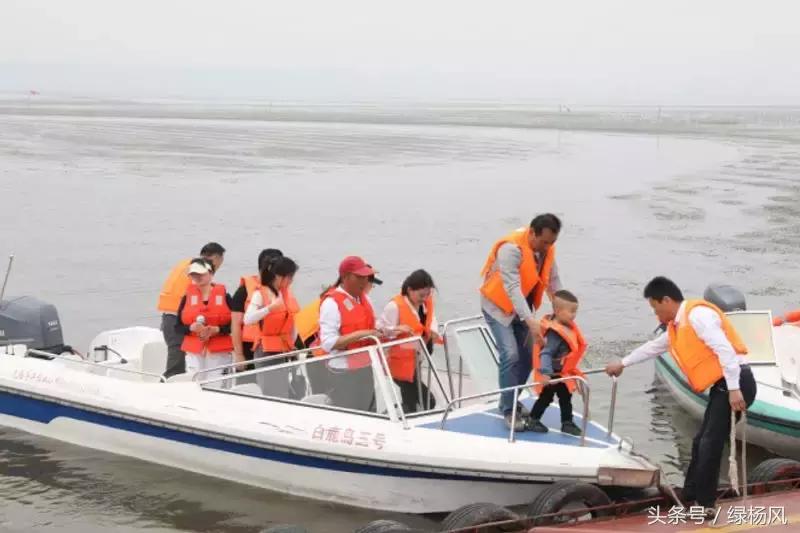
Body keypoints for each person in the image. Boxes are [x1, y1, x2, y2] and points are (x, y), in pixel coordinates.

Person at [605, 276, 756, 517]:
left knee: (710, 443)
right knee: (699, 442)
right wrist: (623, 363)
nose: (656, 314)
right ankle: (690, 495)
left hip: (736, 382)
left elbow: (725, 350)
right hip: (722, 386)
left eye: (656, 308)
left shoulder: (697, 316)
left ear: (667, 300)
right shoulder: (677, 326)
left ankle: (705, 505)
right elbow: (652, 348)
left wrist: (735, 389)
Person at [480, 214, 563, 430]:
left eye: (551, 242)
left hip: (523, 309)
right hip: (498, 308)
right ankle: (509, 411)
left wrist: (563, 311)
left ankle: (509, 399)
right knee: (510, 354)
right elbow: (512, 288)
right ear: (532, 233)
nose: (547, 247)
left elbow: (553, 282)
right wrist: (531, 322)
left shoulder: (547, 250)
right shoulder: (510, 249)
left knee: (529, 355)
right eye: (544, 242)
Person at [311, 256, 380, 410]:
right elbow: (328, 343)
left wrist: (387, 331)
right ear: (346, 277)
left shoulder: (365, 299)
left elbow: (375, 326)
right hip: (344, 371)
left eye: (366, 277)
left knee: (370, 413)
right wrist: (363, 334)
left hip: (365, 367)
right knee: (350, 415)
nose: (364, 281)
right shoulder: (331, 303)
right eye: (360, 277)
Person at [378, 269, 442, 413]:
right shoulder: (394, 307)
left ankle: (404, 418)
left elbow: (432, 318)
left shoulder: (425, 304)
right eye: (421, 295)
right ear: (409, 290)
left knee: (411, 402)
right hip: (399, 365)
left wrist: (433, 330)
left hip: (415, 361)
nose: (424, 298)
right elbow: (380, 331)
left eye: (427, 294)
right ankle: (390, 415)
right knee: (428, 401)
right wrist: (396, 329)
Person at [157, 242, 225, 377]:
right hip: (177, 319)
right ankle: (167, 391)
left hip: (170, 316)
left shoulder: (185, 265)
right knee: (177, 366)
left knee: (180, 361)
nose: (216, 268)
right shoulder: (199, 272)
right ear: (215, 259)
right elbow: (200, 300)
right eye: (219, 264)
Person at [527, 290, 585, 436]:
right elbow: (545, 353)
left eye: (575, 311)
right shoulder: (554, 334)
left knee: (566, 398)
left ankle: (567, 423)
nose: (574, 315)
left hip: (561, 375)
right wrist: (546, 374)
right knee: (546, 398)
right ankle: (533, 420)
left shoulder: (565, 327)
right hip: (552, 375)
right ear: (558, 311)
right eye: (571, 311)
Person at [295, 264, 382, 349]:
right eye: (371, 285)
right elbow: (328, 341)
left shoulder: (360, 299)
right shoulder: (332, 301)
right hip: (309, 336)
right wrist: (365, 334)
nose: (371, 288)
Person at [176, 258, 234, 383]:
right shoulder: (186, 297)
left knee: (217, 385)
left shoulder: (225, 296)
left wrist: (217, 329)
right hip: (194, 351)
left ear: (211, 273)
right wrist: (191, 327)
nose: (197, 277)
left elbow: (236, 323)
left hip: (219, 351)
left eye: (200, 273)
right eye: (193, 274)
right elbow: (177, 327)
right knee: (195, 384)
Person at [230, 248, 283, 370]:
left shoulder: (281, 289)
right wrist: (239, 355)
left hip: (275, 346)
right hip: (249, 348)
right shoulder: (243, 291)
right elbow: (236, 324)